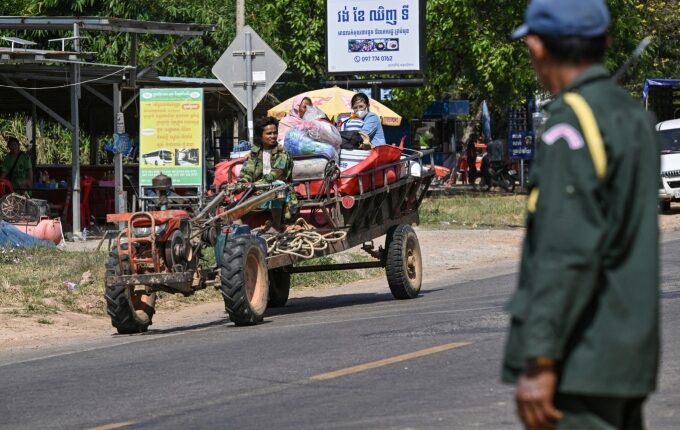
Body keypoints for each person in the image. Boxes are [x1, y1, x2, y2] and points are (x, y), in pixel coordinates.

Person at [502, 1, 660, 429]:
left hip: (581, 358)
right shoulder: (632, 116)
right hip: (626, 358)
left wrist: (540, 358)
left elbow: (565, 250)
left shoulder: (571, 122)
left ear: (537, 46)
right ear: (604, 42)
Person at [238, 116, 297, 221]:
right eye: (269, 133)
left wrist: (253, 184)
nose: (273, 136)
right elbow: (248, 171)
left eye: (275, 133)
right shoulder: (255, 152)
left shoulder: (283, 153)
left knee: (278, 185)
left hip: (280, 193)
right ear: (260, 136)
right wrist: (241, 184)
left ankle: (276, 225)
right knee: (234, 213)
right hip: (259, 192)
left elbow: (275, 175)